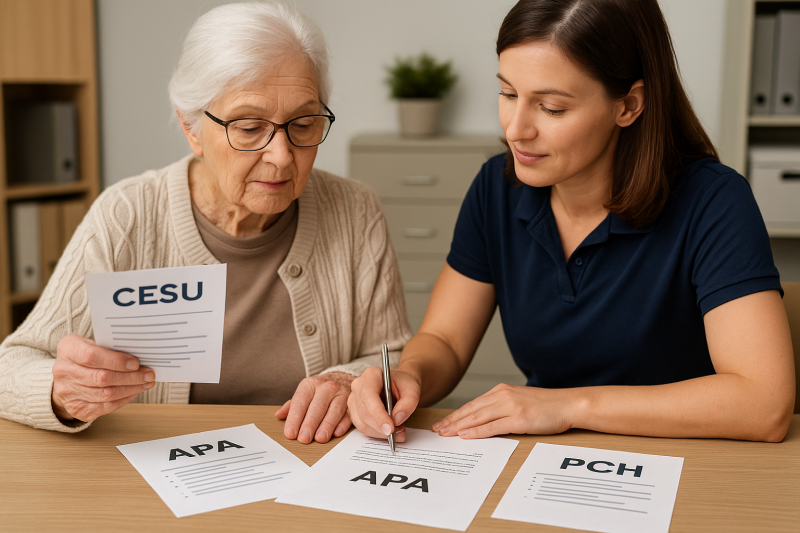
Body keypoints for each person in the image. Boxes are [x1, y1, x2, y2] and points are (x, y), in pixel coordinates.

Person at [350, 0, 795, 444]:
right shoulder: (496, 188)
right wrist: (409, 375)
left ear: (629, 105)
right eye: (508, 94)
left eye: (552, 108)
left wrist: (566, 405)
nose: (516, 129)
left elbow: (763, 403)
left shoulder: (713, 201)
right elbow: (444, 339)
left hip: (688, 464)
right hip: (551, 464)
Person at [0, 2, 411, 442]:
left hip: (312, 469)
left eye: (304, 123)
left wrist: (347, 379)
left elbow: (396, 356)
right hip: (162, 476)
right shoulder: (128, 215)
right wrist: (62, 393)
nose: (282, 155)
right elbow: (12, 366)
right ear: (191, 128)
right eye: (250, 127)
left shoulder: (355, 210)